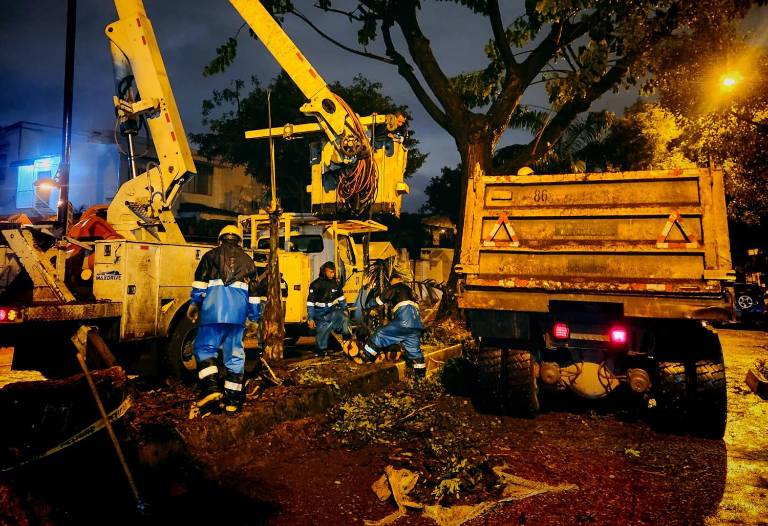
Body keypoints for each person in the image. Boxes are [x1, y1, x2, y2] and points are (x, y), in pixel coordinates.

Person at [188, 225, 261, 416]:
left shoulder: (210, 256)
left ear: (220, 239)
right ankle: (232, 403)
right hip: (237, 316)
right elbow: (254, 295)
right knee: (235, 355)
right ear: (239, 240)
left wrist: (194, 304)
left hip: (213, 312)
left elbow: (200, 285)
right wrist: (253, 318)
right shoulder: (248, 261)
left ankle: (212, 390)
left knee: (204, 348)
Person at [361, 275, 425, 379]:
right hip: (416, 326)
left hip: (403, 324)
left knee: (379, 334)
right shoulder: (411, 291)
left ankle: (366, 356)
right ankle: (420, 377)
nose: (390, 285)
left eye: (391, 283)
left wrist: (368, 305)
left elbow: (380, 300)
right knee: (415, 352)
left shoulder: (396, 287)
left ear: (394, 281)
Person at [307, 261, 351, 357]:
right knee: (324, 328)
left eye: (333, 272)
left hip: (331, 310)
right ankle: (320, 351)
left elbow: (341, 298)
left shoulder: (336, 284)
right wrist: (310, 318)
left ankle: (347, 342)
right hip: (319, 312)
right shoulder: (316, 284)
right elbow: (310, 303)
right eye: (330, 272)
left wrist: (345, 309)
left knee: (344, 318)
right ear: (324, 271)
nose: (333, 274)